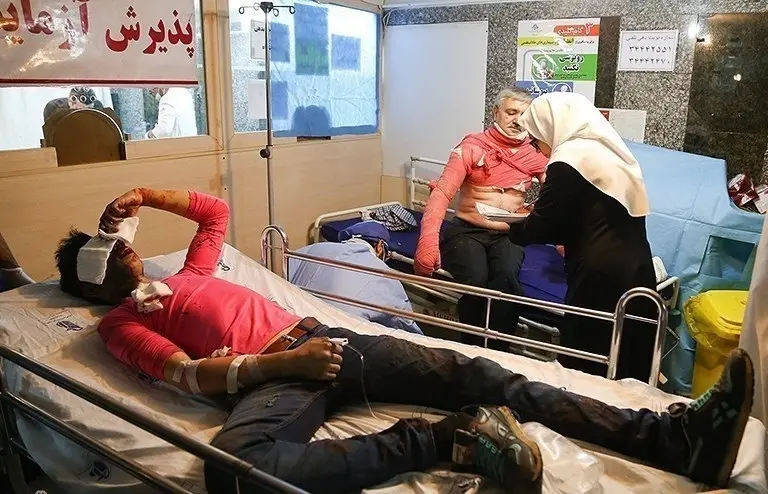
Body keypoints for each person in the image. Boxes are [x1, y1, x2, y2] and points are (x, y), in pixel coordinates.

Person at [54, 187, 753, 494]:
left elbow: (214, 213)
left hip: (328, 339)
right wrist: (280, 365)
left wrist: (144, 194)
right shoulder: (119, 324)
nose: (127, 252)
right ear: (91, 282)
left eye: (122, 244)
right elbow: (186, 375)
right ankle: (442, 440)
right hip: (274, 375)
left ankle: (672, 438)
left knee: (484, 373)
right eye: (110, 255)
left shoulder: (190, 273)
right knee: (233, 472)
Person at [509, 92, 658, 381]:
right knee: (627, 358)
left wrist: (509, 226)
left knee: (587, 360)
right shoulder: (612, 153)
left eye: (536, 137)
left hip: (599, 273)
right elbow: (591, 213)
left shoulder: (570, 158)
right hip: (637, 266)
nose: (536, 147)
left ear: (552, 125)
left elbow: (543, 225)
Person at [413, 87, 548, 350]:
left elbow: (557, 197)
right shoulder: (472, 147)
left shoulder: (536, 155)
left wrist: (564, 238)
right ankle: (472, 350)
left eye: (524, 115)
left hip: (508, 235)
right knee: (476, 281)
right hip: (466, 231)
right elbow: (442, 193)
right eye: (511, 112)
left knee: (507, 282)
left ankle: (500, 352)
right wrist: (427, 240)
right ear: (496, 112)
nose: (517, 120)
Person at [288, 221, 422, 334]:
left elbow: (283, 279)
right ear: (380, 246)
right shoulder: (384, 274)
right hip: (339, 338)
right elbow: (404, 323)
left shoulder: (310, 249)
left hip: (294, 326)